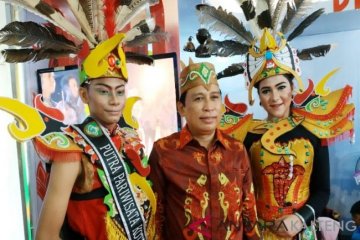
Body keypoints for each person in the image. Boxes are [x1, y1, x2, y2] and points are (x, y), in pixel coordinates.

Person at [220, 28, 355, 239]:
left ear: (293, 88)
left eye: (281, 87)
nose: (275, 97)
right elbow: (240, 191)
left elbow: (322, 190)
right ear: (258, 97)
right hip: (259, 232)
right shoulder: (246, 134)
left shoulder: (314, 129)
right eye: (266, 91)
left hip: (302, 230)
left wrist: (300, 218)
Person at [33, 34, 157, 240]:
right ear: (84, 95)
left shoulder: (130, 140)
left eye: (119, 92)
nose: (114, 101)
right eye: (104, 91)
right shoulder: (71, 151)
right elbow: (46, 235)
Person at [148, 59, 260, 240]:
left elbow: (249, 212)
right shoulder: (164, 152)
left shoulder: (236, 149)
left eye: (214, 97)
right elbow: (156, 216)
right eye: (199, 98)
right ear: (181, 108)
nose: (209, 107)